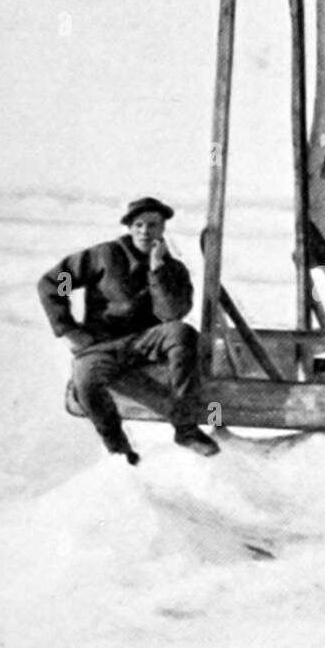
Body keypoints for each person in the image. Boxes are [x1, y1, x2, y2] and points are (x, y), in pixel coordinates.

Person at [38, 196, 219, 464]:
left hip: (147, 342)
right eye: (139, 225)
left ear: (162, 229)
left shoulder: (174, 269)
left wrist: (157, 271)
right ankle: (119, 449)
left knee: (182, 333)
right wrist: (67, 327)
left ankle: (186, 429)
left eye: (153, 226)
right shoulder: (104, 255)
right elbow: (57, 281)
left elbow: (171, 314)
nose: (145, 232)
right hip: (101, 343)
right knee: (85, 381)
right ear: (130, 227)